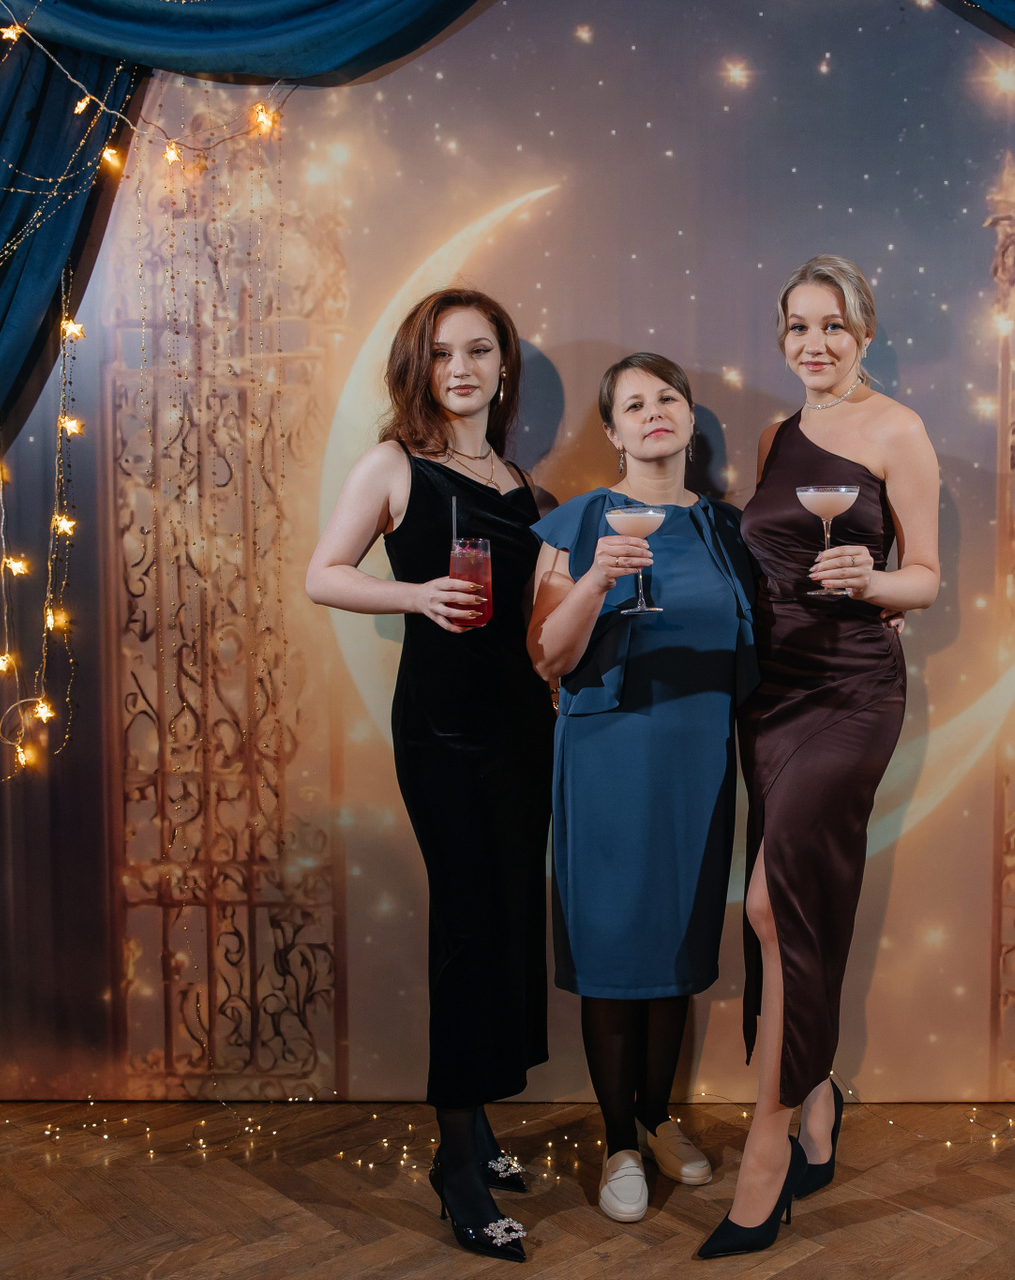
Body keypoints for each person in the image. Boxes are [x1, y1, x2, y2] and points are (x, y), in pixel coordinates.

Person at [305, 288, 550, 1264]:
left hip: (524, 726)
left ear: (502, 365)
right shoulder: (393, 464)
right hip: (444, 729)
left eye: (478, 350)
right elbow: (324, 573)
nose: (461, 368)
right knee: (467, 926)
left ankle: (479, 1129)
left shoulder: (522, 483)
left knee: (508, 918)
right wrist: (414, 595)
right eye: (443, 352)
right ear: (420, 365)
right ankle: (455, 1162)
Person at [704, 255, 941, 1259]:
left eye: (833, 325)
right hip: (772, 696)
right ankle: (816, 1102)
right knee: (798, 907)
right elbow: (760, 559)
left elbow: (926, 577)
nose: (815, 343)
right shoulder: (774, 437)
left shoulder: (899, 430)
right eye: (798, 327)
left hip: (851, 692)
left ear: (865, 332)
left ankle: (766, 1158)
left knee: (775, 904)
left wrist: (873, 581)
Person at [526, 353, 757, 1226]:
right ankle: (619, 1140)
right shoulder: (580, 521)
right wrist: (597, 579)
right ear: (614, 431)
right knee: (615, 946)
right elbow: (547, 656)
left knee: (676, 944)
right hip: (606, 759)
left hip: (698, 761)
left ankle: (659, 1121)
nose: (653, 411)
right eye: (633, 403)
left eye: (667, 397)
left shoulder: (727, 530)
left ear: (689, 419)